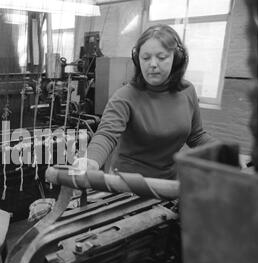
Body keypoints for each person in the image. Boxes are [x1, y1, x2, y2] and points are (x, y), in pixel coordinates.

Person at [76, 24, 217, 180]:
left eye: (161, 57)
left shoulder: (187, 91)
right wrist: (91, 160)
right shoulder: (125, 96)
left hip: (167, 182)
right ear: (137, 60)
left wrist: (223, 152)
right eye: (146, 58)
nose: (153, 64)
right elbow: (106, 134)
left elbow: (196, 136)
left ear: (176, 59)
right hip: (128, 185)